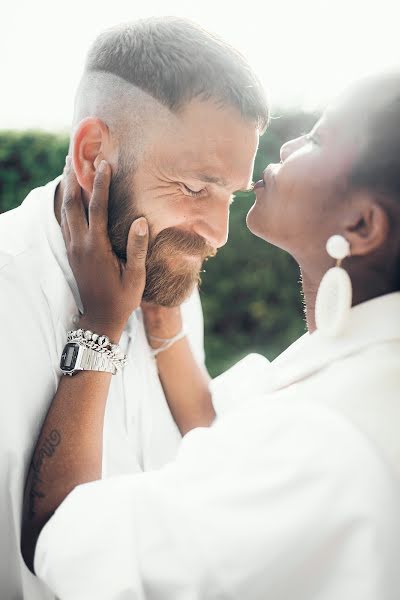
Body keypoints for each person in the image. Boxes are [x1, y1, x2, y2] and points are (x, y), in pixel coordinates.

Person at [23, 72, 400, 599]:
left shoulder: (325, 444)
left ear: (362, 225)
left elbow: (62, 534)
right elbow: (220, 428)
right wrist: (161, 320)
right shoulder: (371, 368)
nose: (289, 144)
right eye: (195, 187)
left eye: (316, 140)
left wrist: (101, 326)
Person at [0, 17, 268, 599]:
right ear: (95, 154)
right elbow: (55, 543)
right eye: (197, 188)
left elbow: (198, 451)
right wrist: (100, 331)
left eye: (231, 195)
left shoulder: (164, 273)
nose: (219, 234)